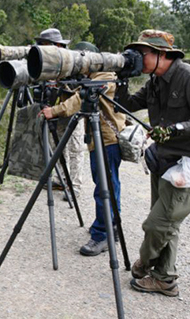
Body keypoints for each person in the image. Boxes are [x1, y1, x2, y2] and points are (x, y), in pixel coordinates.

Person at [117, 30, 190, 297]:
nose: (138, 60)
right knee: (168, 223)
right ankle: (165, 279)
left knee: (156, 225)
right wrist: (120, 78)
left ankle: (146, 262)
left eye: (142, 55)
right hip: (162, 160)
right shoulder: (155, 81)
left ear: (161, 54)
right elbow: (128, 104)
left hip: (186, 163)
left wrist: (176, 128)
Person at [39, 41, 126, 256]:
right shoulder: (96, 76)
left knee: (105, 187)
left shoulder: (105, 76)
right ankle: (110, 225)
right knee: (107, 183)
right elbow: (75, 90)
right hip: (102, 139)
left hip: (108, 139)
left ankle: (102, 234)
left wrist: (56, 110)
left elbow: (81, 98)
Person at [35, 29, 85, 197]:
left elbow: (80, 96)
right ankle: (62, 180)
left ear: (56, 46)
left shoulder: (75, 63)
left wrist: (56, 108)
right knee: (58, 148)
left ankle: (75, 186)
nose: (42, 48)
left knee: (75, 149)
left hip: (72, 111)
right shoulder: (50, 65)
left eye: (44, 45)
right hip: (56, 112)